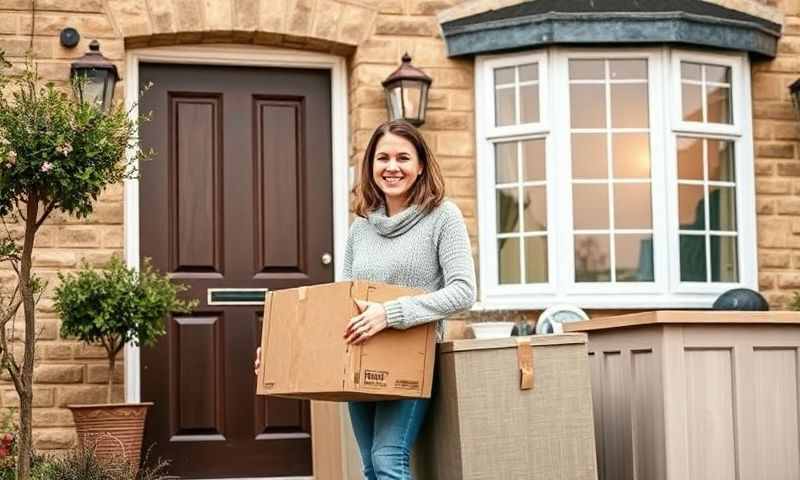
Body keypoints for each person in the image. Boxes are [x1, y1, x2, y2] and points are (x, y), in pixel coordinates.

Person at [256, 119, 476, 479]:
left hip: (411, 357)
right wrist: (278, 351)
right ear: (370, 165)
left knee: (388, 459)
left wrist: (390, 313)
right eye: (382, 157)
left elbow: (464, 292)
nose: (392, 167)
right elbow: (340, 306)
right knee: (372, 467)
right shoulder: (361, 229)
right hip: (359, 357)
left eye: (403, 158)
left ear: (421, 166)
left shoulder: (442, 217)